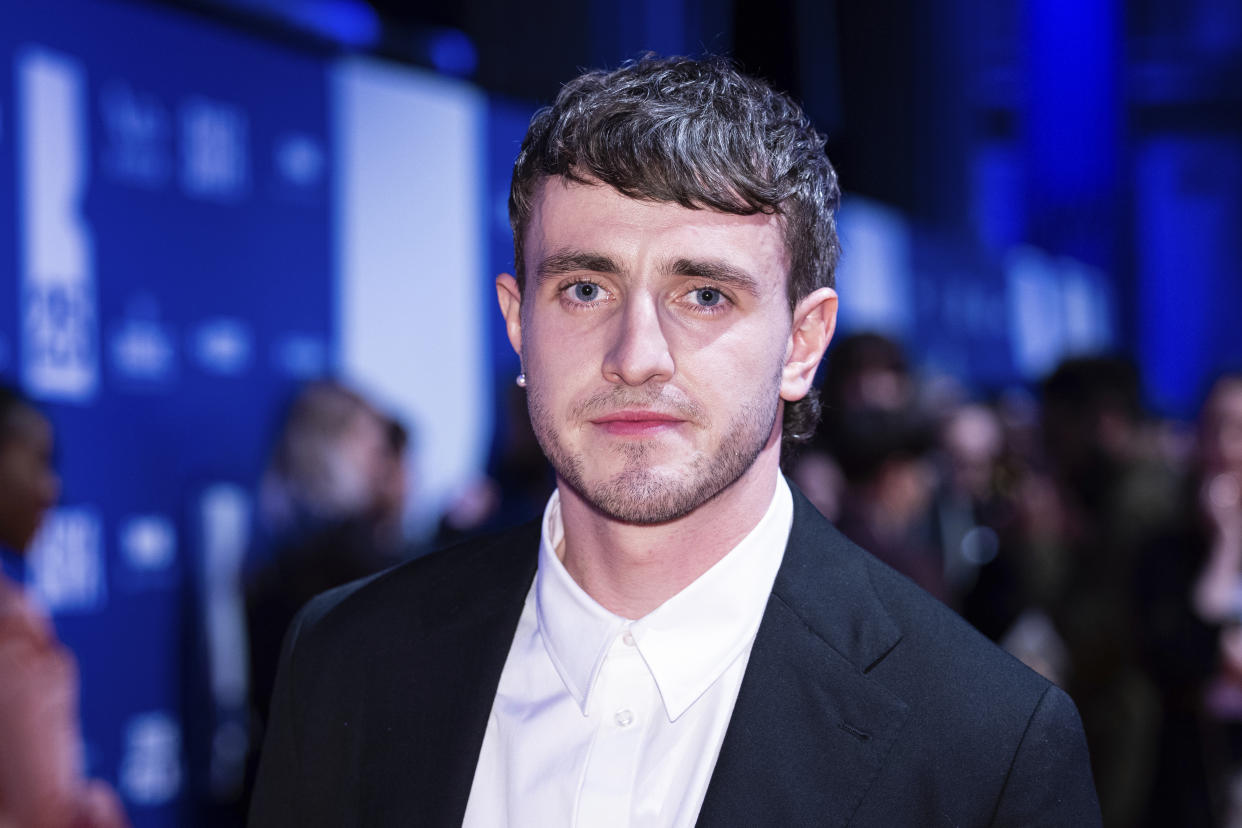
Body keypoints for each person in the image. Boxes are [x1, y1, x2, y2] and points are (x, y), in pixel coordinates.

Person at [249, 56, 1100, 826]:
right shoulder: (346, 658)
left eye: (704, 297)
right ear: (517, 322)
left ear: (802, 345)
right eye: (585, 288)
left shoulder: (987, 747)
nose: (636, 357)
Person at [0, 383, 128, 828]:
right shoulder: (11, 626)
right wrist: (97, 810)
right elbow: (45, 815)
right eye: (39, 460)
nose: (50, 489)